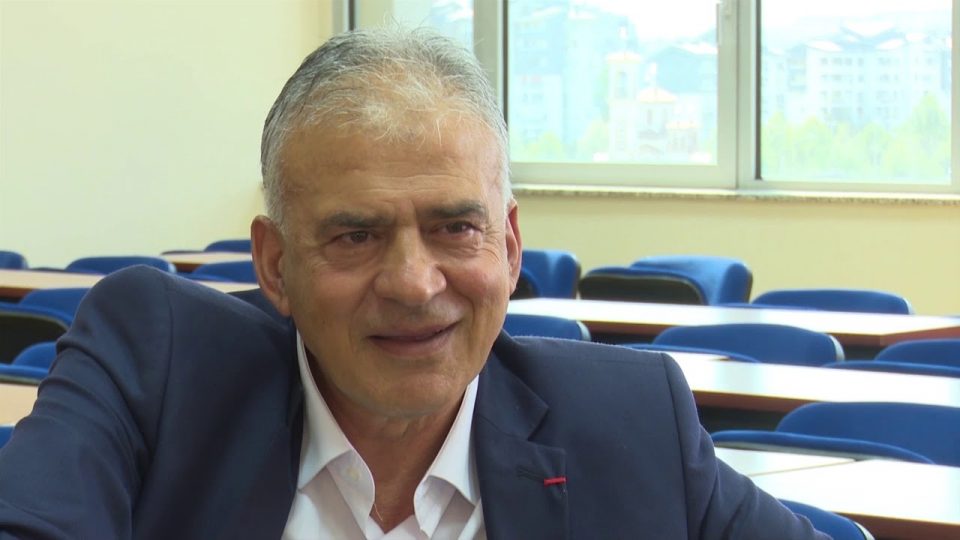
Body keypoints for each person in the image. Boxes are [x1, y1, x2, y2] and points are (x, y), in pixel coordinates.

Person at [0, 28, 829, 539]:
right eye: (355, 236)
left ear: (510, 246)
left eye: (455, 228)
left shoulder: (632, 425)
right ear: (275, 265)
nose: (412, 282)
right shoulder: (156, 368)